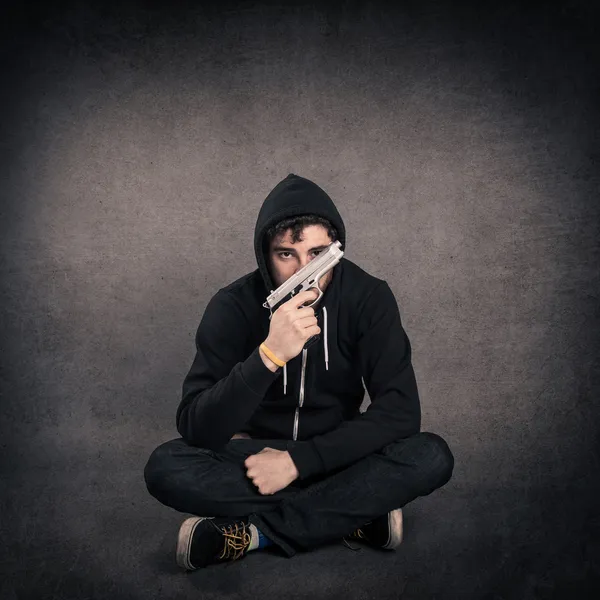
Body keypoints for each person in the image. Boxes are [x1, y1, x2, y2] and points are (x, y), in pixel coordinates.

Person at [144, 173, 454, 570]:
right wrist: (268, 357)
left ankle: (252, 535)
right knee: (166, 466)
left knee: (430, 455)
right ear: (265, 253)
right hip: (254, 457)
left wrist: (299, 463)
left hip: (339, 452)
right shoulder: (232, 306)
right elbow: (196, 426)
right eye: (286, 254)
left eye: (317, 254)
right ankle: (353, 512)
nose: (303, 271)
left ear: (335, 250)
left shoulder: (369, 297)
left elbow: (400, 412)